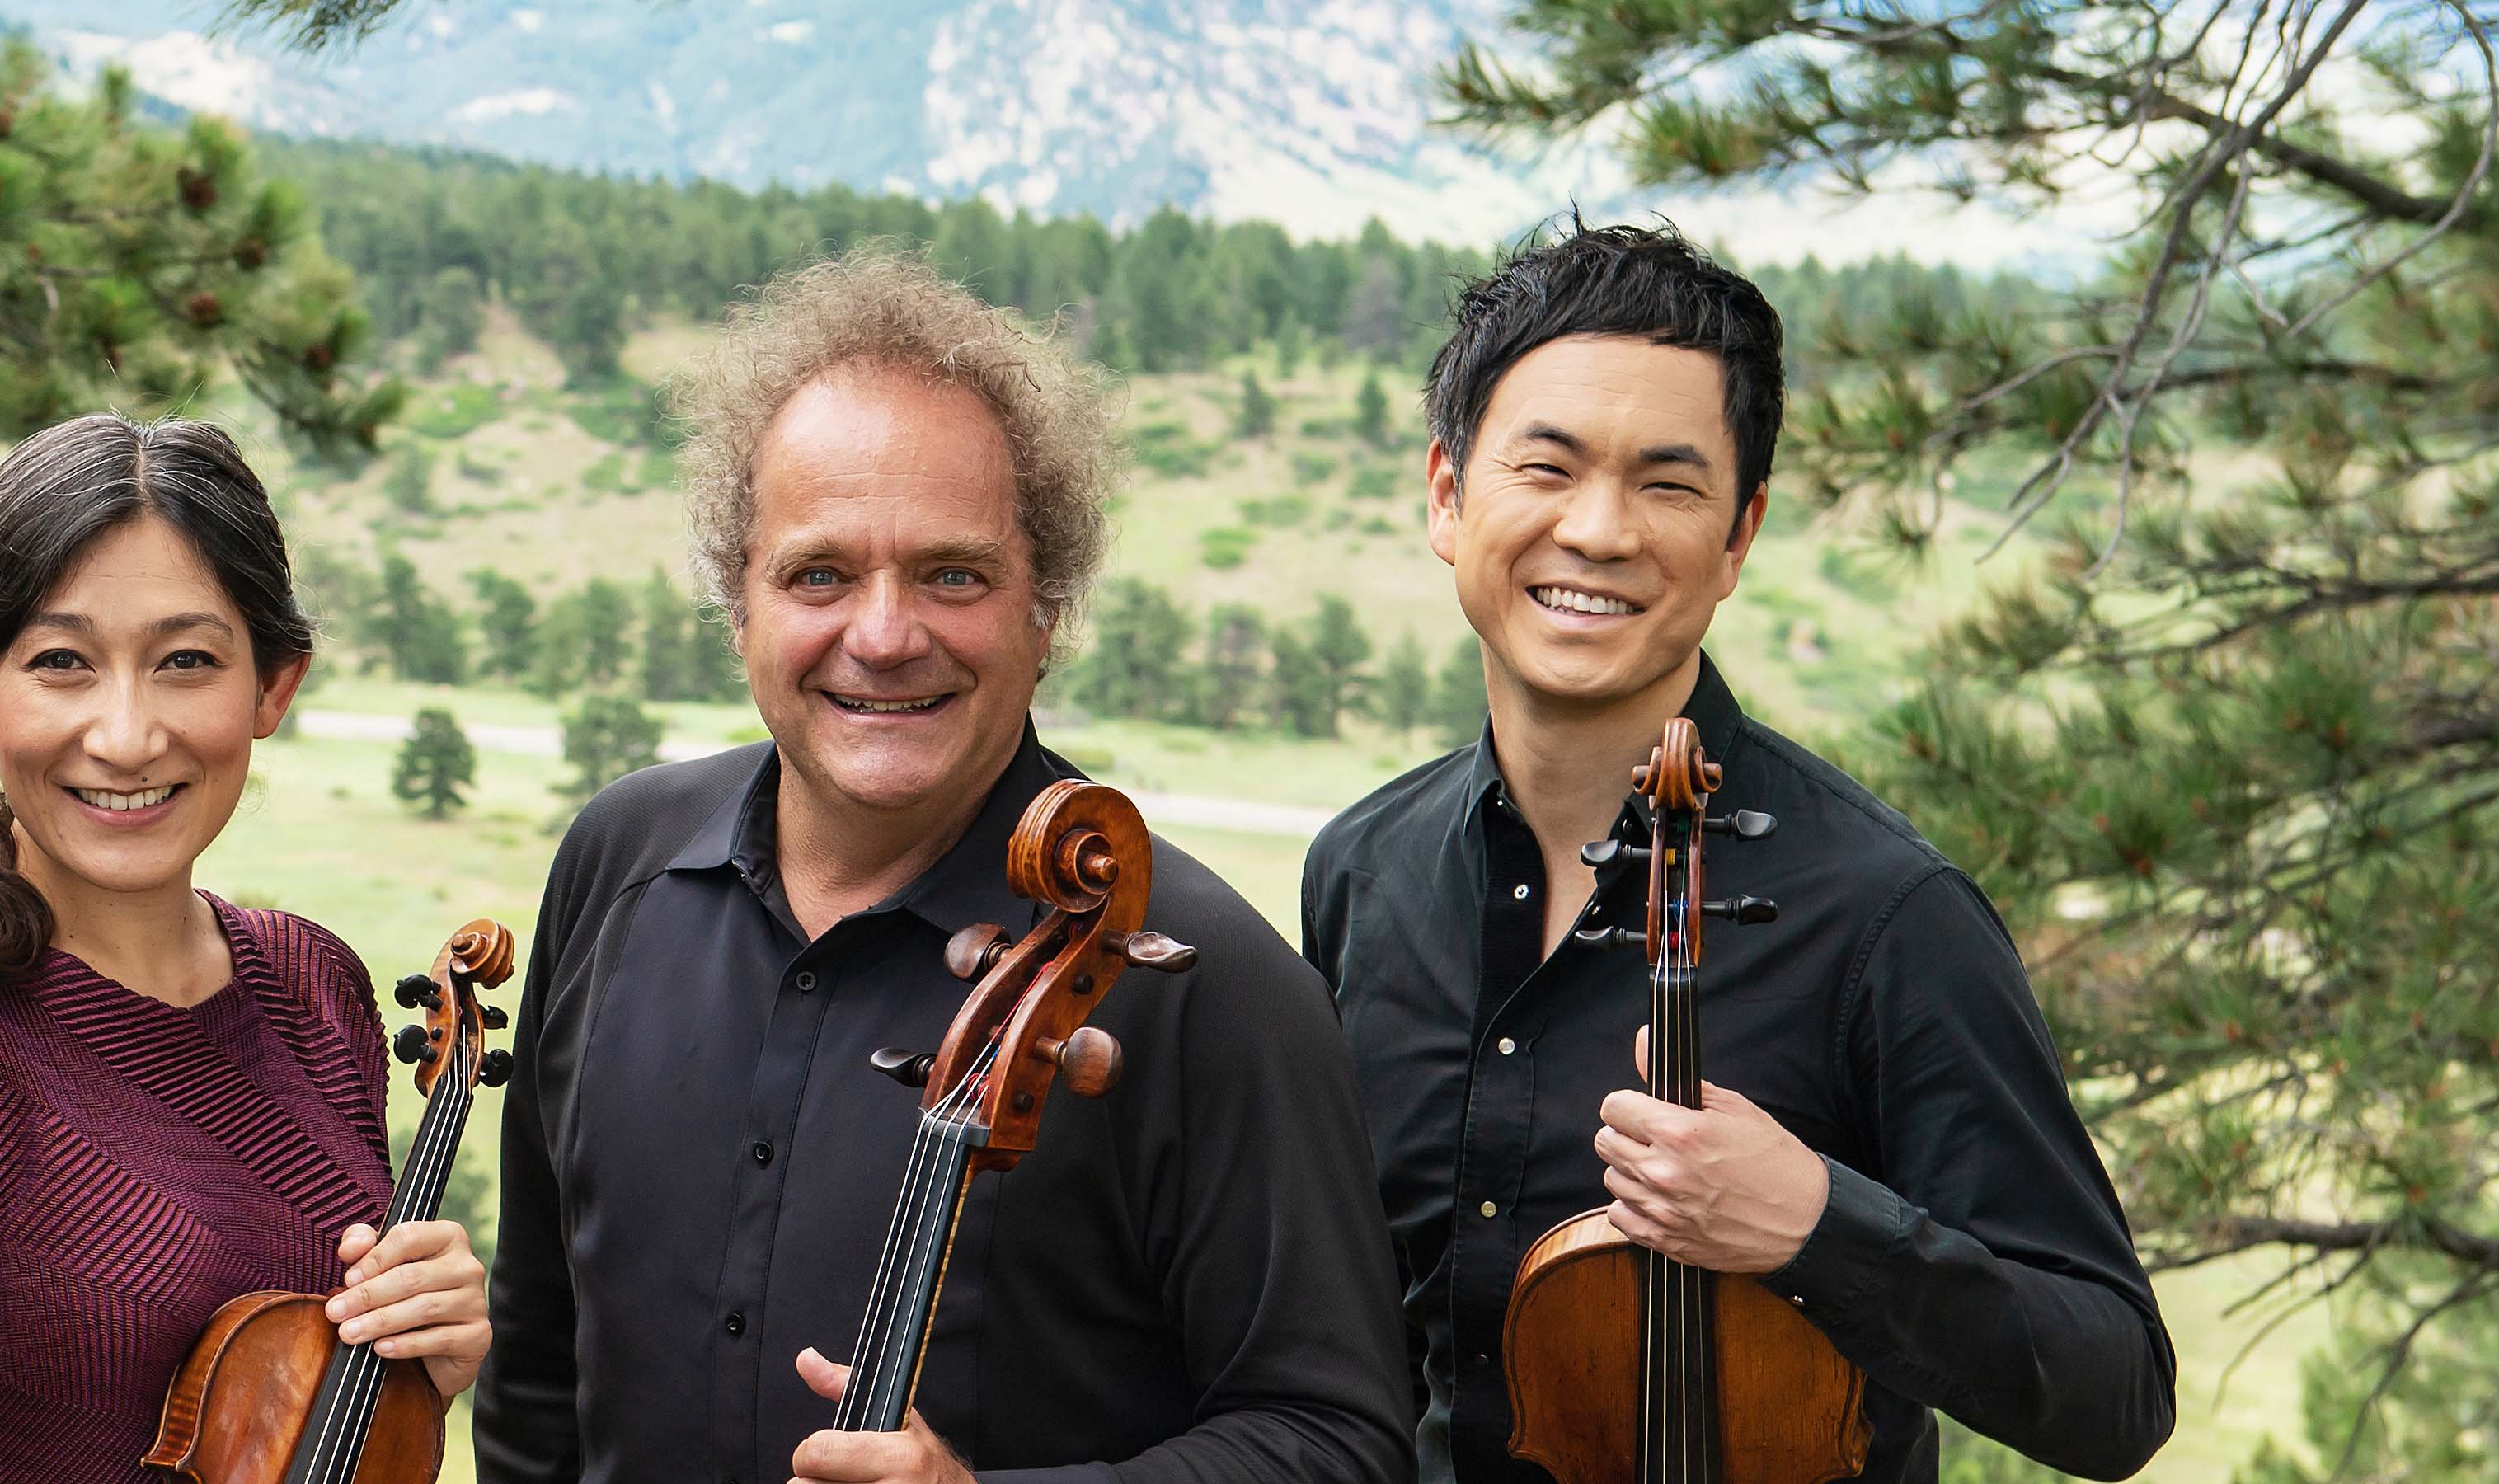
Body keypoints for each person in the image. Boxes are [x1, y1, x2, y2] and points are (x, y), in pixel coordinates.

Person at [474, 249, 1415, 1484]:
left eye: (952, 575)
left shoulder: (1205, 980)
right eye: (817, 574)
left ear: (1046, 607)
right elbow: (539, 1367)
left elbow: (1337, 1445)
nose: (882, 636)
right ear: (738, 602)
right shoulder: (617, 864)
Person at [1299, 222, 2177, 1484]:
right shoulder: (1363, 873)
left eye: (1668, 483)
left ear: (1739, 536)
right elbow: (1347, 1337)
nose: (1597, 532)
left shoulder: (1886, 914)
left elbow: (2115, 1389)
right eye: (1545, 467)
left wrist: (1822, 1227)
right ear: (1448, 494)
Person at [0, 413, 491, 1483]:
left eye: (187, 660)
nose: (129, 734)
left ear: (271, 687)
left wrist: (428, 1351)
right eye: (62, 662)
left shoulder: (317, 987)